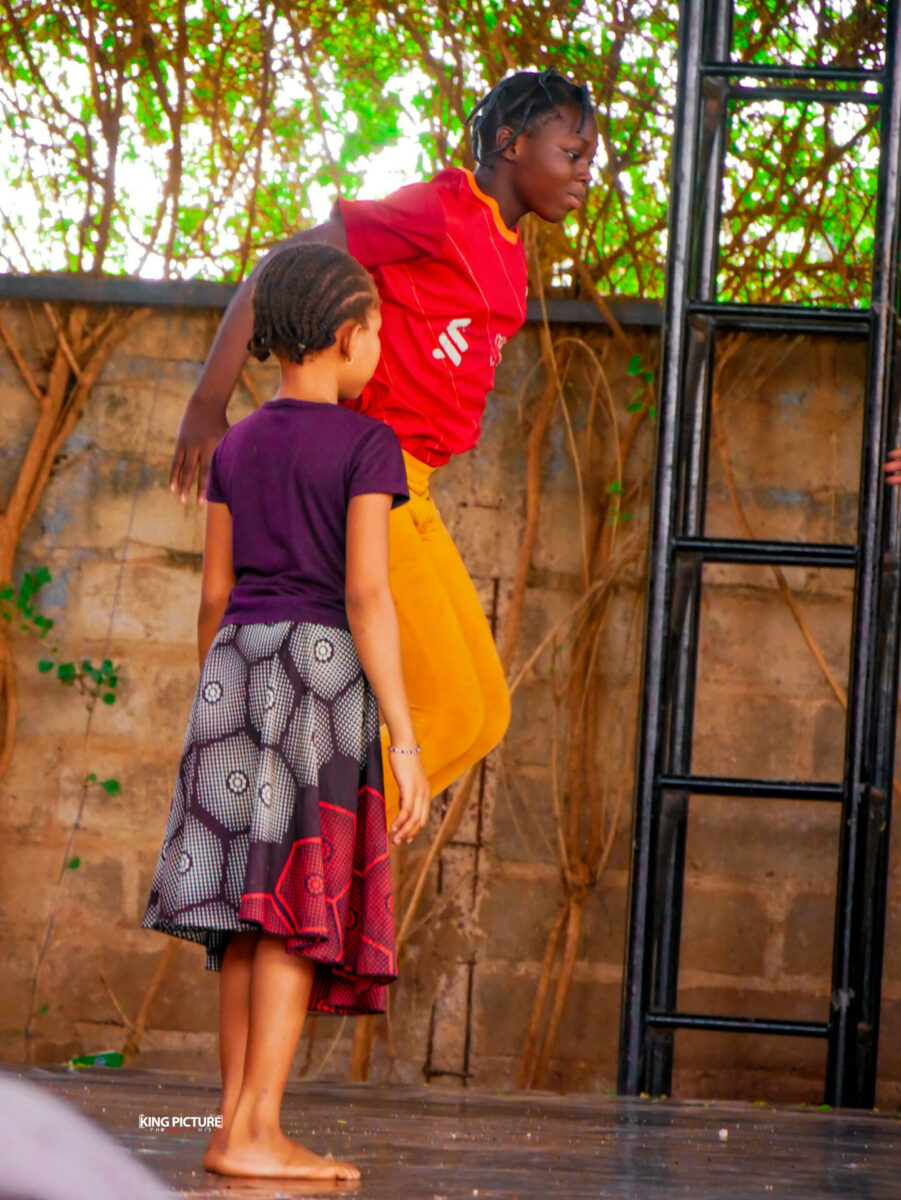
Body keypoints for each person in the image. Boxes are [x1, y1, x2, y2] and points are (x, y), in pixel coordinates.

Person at [170, 68, 598, 825]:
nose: (584, 173)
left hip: (418, 484)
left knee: (484, 715)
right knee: (452, 715)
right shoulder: (440, 210)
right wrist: (208, 404)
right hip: (371, 476)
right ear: (511, 142)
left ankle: (321, 829)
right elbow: (281, 265)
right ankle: (300, 831)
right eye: (571, 152)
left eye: (589, 157)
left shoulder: (508, 247)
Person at [143, 243, 431, 1180]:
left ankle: (234, 1124)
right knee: (294, 909)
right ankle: (256, 1131)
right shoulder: (365, 444)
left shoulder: (237, 443)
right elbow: (366, 597)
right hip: (319, 678)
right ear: (348, 338)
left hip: (234, 669)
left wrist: (216, 705)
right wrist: (407, 736)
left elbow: (213, 594)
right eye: (379, 330)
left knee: (244, 909)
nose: (382, 346)